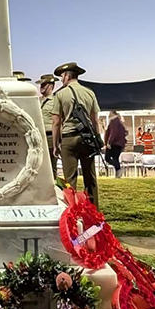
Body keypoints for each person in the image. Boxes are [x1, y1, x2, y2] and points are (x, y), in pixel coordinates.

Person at [51, 62, 102, 206]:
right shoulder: (89, 92)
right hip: (87, 139)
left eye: (62, 76)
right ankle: (93, 211)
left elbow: (56, 122)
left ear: (67, 76)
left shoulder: (60, 94)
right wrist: (97, 139)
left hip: (69, 139)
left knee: (70, 180)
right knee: (90, 178)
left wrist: (55, 145)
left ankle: (72, 211)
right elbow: (95, 120)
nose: (61, 79)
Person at [37, 74, 60, 177]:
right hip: (38, 136)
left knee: (51, 166)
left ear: (51, 86)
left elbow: (58, 121)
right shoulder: (37, 100)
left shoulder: (56, 101)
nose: (41, 87)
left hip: (50, 136)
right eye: (40, 84)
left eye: (44, 84)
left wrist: (58, 141)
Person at [105, 111, 127, 176]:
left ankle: (119, 169)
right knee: (115, 158)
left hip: (114, 143)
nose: (109, 114)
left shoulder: (114, 122)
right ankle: (118, 173)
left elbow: (113, 132)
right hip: (119, 144)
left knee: (107, 157)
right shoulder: (118, 122)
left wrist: (109, 142)